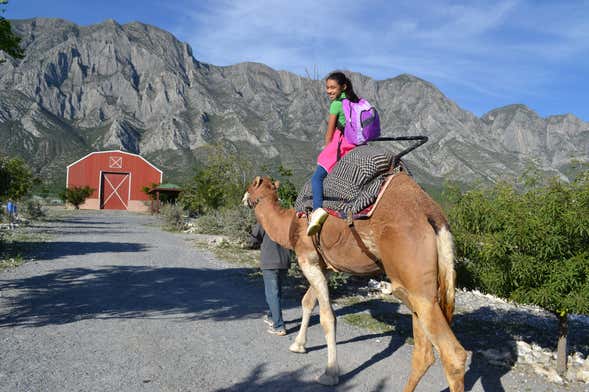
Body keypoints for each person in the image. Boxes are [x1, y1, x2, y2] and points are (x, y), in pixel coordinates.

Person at [307, 71, 362, 235]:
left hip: (342, 143)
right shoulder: (355, 102)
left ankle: (317, 211)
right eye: (327, 88)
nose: (329, 91)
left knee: (317, 177)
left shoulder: (337, 104)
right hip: (357, 144)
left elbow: (329, 133)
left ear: (343, 87)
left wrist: (326, 151)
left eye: (333, 87)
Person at [250, 222, 291, 336]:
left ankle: (279, 326)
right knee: (277, 292)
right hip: (284, 261)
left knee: (272, 294)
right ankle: (271, 316)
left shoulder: (265, 220)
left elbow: (254, 238)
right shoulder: (285, 220)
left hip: (270, 261)